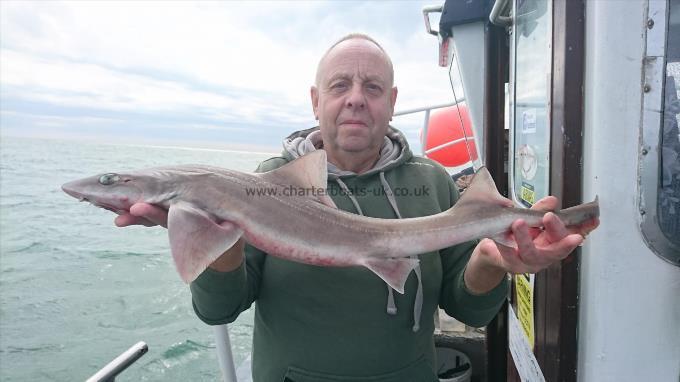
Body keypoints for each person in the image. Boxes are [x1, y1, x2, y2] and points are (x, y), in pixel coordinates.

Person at [115, 34, 598, 381]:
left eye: (371, 88)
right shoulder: (266, 182)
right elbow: (218, 310)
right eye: (339, 85)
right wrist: (216, 238)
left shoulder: (429, 182)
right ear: (315, 100)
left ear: (391, 102)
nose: (355, 100)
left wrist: (491, 264)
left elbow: (466, 305)